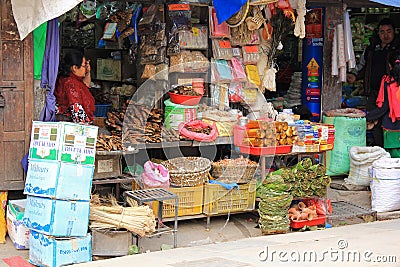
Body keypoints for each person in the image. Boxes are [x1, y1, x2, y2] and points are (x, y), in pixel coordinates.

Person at [347, 18, 400, 146]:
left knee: (390, 122)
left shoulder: (397, 49)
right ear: (378, 33)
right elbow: (363, 67)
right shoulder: (371, 49)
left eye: (389, 31)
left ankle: (390, 151)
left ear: (394, 32)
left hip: (392, 91)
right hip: (373, 92)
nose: (385, 35)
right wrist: (355, 76)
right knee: (374, 123)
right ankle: (379, 150)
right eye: (382, 32)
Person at [366, 51, 400, 157]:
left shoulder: (387, 81)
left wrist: (367, 116)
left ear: (390, 66)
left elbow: (383, 107)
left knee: (393, 160)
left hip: (391, 126)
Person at [54, 50, 95, 124]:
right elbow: (76, 109)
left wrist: (88, 71)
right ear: (75, 68)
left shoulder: (69, 79)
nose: (85, 68)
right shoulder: (71, 84)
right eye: (84, 66)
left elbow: (86, 85)